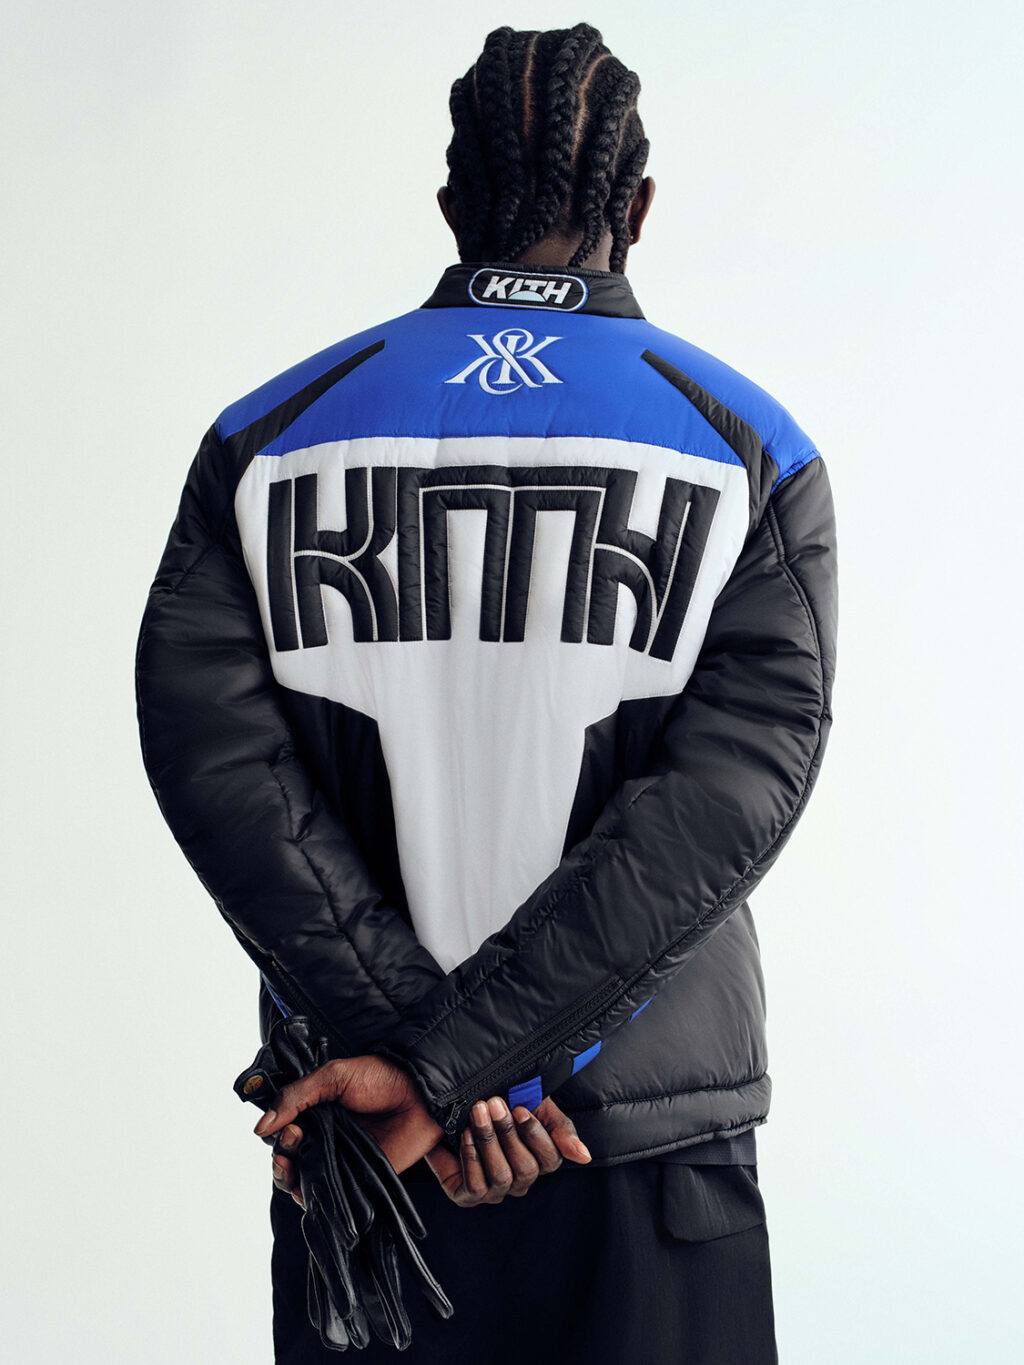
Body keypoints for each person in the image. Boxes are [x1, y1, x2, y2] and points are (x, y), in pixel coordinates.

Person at [135, 21, 837, 1364]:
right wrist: (471, 1064)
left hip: (366, 1131)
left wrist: (416, 1064)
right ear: (639, 206)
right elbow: (724, 805)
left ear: (452, 203)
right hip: (643, 1144)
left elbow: (218, 771)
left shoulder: (261, 438)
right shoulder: (756, 448)